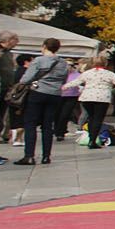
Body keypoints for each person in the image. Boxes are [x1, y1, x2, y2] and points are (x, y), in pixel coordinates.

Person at [13, 38, 70, 166]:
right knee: (47, 125)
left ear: (44, 46)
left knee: (30, 124)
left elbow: (25, 79)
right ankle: (46, 156)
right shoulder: (63, 63)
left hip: (38, 92)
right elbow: (64, 79)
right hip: (55, 95)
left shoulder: (38, 60)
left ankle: (29, 156)